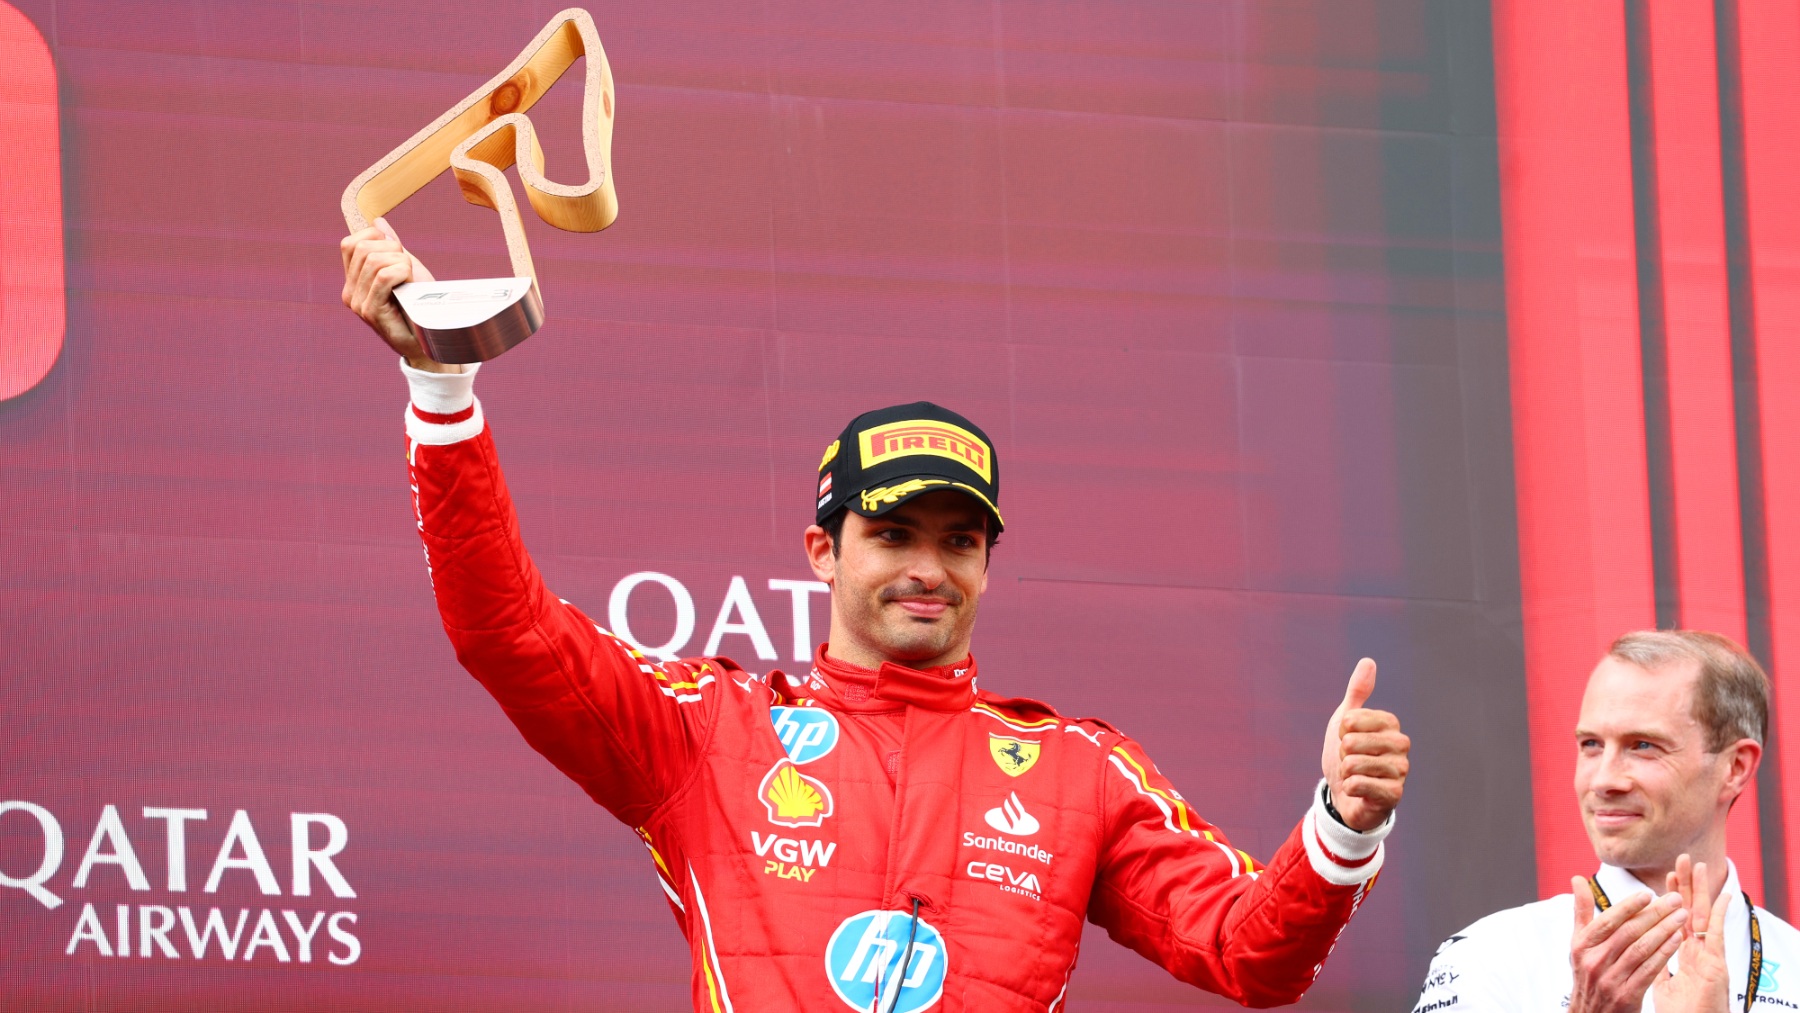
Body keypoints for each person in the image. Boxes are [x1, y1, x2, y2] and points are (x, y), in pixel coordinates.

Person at [342, 220, 1413, 1012]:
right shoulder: (708, 731)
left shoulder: (1080, 769)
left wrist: (1342, 823)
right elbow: (507, 630)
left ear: (989, 565)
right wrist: (444, 393)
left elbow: (1248, 952)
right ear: (824, 549)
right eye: (893, 535)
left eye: (958, 541)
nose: (926, 567)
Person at [1412, 630, 1800, 1013]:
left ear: (1734, 767)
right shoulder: (1489, 956)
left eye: (1643, 746)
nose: (1604, 780)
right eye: (1591, 745)